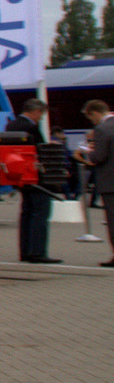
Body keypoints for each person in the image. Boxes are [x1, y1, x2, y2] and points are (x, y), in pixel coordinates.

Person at [4, 99, 59, 263]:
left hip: (19, 176)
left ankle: (25, 251)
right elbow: (39, 150)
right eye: (41, 114)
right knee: (40, 214)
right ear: (37, 111)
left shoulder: (11, 125)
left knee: (26, 213)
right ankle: (37, 252)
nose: (41, 118)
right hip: (36, 177)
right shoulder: (31, 128)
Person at [76, 99, 114, 269]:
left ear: (95, 113)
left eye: (91, 118)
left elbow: (99, 156)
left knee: (113, 220)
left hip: (110, 183)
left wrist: (87, 154)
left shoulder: (102, 129)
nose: (92, 122)